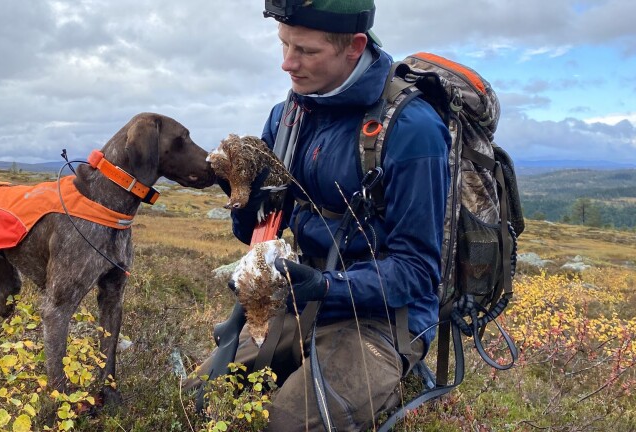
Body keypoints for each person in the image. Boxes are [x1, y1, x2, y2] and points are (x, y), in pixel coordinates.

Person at [190, 1, 451, 430]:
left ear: (354, 46)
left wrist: (328, 286)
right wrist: (243, 203)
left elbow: (418, 270)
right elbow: (263, 227)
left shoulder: (411, 129)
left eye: (307, 51)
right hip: (303, 296)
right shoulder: (288, 115)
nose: (287, 64)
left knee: (288, 423)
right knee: (201, 398)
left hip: (382, 319)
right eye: (284, 44)